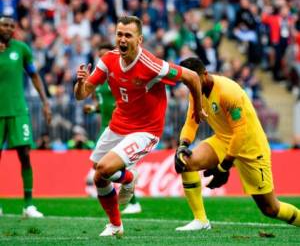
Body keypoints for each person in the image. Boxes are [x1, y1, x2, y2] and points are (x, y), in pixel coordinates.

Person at [74, 15, 205, 237]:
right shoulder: (108, 60)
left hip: (145, 130)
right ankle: (116, 222)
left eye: (128, 35)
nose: (122, 39)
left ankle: (128, 178)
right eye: (119, 34)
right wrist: (79, 82)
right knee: (99, 175)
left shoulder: (151, 65)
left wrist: (197, 108)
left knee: (105, 169)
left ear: (140, 39)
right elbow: (82, 95)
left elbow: (192, 77)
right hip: (118, 124)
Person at [175, 57, 300, 229]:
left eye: (193, 81)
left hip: (250, 147)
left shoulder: (228, 91)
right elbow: (191, 122)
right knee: (185, 162)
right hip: (223, 140)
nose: (190, 87)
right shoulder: (195, 93)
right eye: (186, 83)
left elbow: (240, 133)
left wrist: (223, 167)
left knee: (270, 208)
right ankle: (201, 220)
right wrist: (183, 144)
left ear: (205, 74)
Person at [0, 16, 51, 217]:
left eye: (12, 25)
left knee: (25, 155)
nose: (8, 28)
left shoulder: (22, 49)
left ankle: (28, 205)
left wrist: (45, 102)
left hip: (18, 111)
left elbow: (34, 75)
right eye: (5, 24)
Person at [84, 42, 142, 214]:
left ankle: (133, 202)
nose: (102, 57)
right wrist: (93, 108)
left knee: (115, 166)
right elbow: (102, 102)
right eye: (99, 54)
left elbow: (123, 98)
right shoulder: (100, 77)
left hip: (120, 126)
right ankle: (126, 190)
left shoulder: (116, 75)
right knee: (100, 166)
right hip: (105, 126)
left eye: (105, 53)